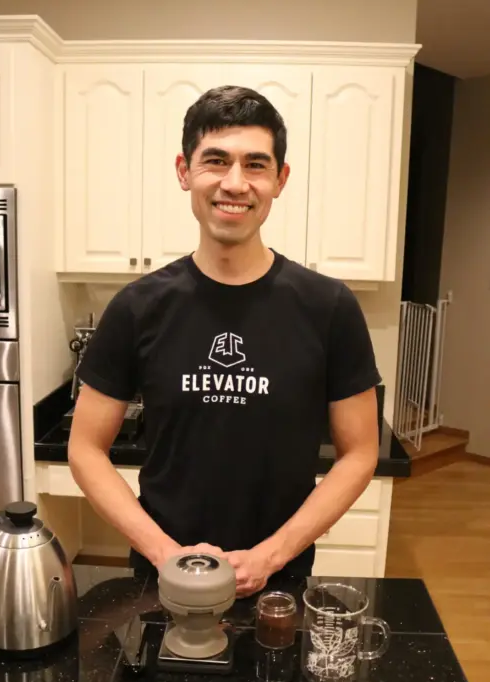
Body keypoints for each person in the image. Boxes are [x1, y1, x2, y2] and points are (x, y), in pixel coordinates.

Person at [68, 85, 381, 599]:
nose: (235, 183)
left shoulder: (329, 307)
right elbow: (85, 448)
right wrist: (165, 553)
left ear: (280, 180)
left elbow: (361, 453)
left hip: (282, 583)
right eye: (216, 160)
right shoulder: (137, 306)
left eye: (256, 165)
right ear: (184, 171)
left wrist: (271, 554)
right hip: (161, 577)